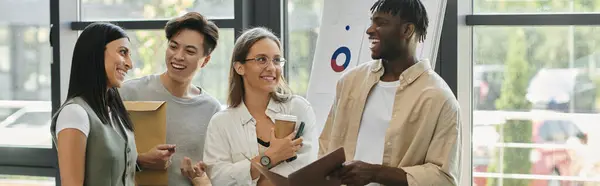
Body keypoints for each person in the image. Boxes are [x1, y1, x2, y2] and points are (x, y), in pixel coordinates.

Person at [320, 0, 462, 185]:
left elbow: (444, 178)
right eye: (372, 22)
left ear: (407, 30)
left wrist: (376, 173)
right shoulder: (349, 83)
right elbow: (325, 148)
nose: (370, 30)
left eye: (381, 23)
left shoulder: (439, 98)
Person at [50, 22, 175, 186]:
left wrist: (142, 160)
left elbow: (106, 165)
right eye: (123, 52)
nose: (130, 64)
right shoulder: (75, 113)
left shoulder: (114, 110)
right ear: (95, 54)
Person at [202, 27, 318, 186]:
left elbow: (307, 173)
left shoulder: (299, 109)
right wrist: (270, 157)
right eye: (261, 59)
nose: (271, 68)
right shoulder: (221, 122)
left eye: (277, 60)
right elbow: (218, 179)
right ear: (239, 67)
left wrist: (252, 174)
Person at [118, 12, 221, 186]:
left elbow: (216, 171)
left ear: (205, 60)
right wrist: (140, 161)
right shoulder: (128, 93)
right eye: (173, 46)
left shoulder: (212, 110)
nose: (178, 56)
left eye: (189, 51)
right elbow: (99, 158)